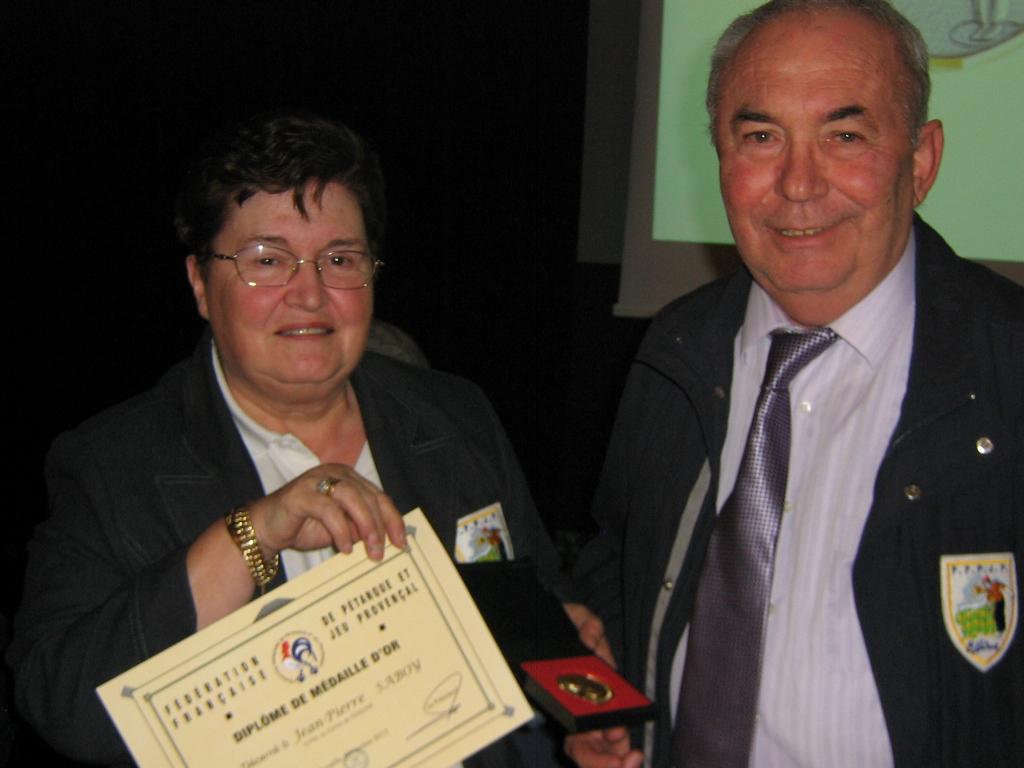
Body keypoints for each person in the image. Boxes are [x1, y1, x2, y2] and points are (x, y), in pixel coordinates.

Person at [8, 112, 604, 767]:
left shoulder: (453, 415)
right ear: (201, 283)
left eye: (339, 259)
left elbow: (536, 593)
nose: (310, 294)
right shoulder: (114, 462)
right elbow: (61, 703)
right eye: (268, 260)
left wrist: (569, 685)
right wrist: (252, 536)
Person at [567, 1, 1023, 766]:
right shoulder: (673, 352)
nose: (797, 183)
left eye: (844, 136)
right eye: (760, 138)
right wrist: (602, 699)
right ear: (718, 157)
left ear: (920, 161)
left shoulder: (1006, 370)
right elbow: (625, 564)